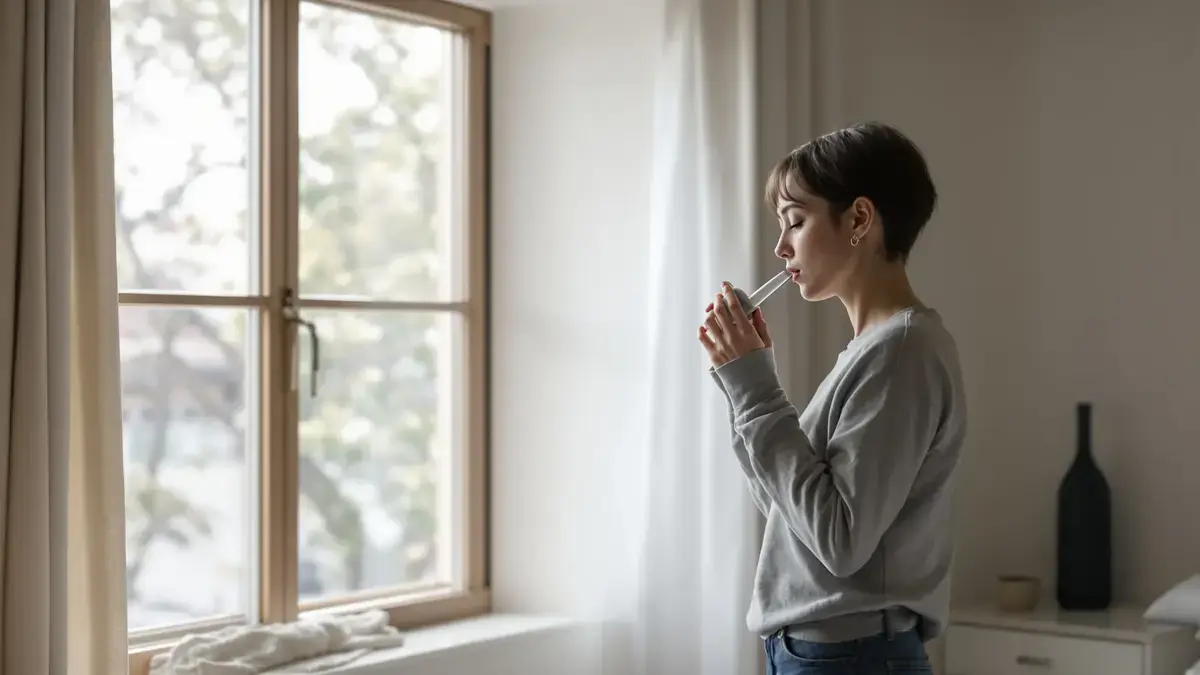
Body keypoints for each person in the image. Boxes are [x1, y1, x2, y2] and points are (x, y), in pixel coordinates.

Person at [697, 122, 967, 675]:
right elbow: (789, 517)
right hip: (829, 652)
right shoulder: (875, 350)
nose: (781, 247)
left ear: (859, 219)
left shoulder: (902, 350)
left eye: (795, 221)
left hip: (851, 656)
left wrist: (756, 390)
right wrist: (740, 383)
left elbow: (839, 542)